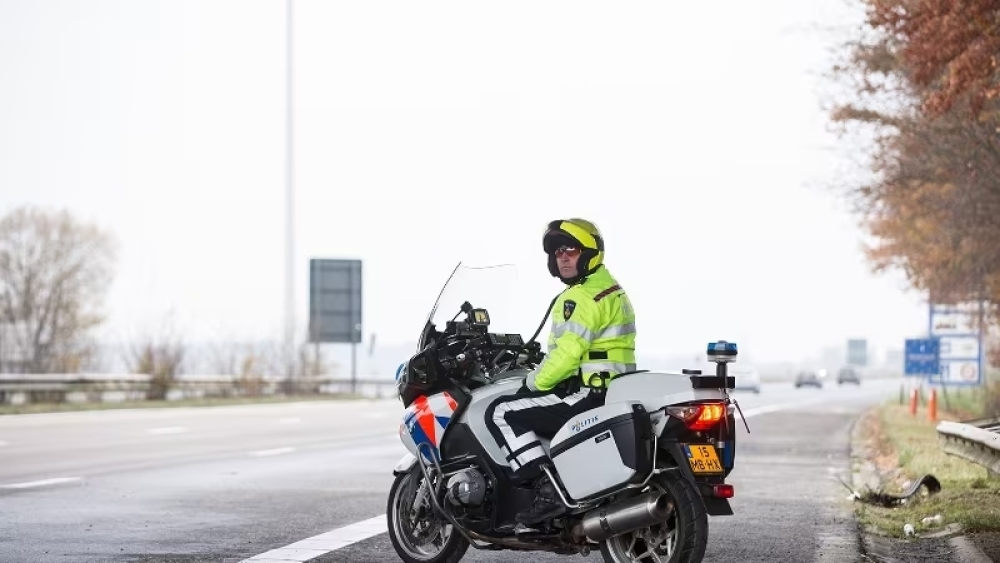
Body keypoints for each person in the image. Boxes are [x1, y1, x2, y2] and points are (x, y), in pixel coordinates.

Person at [485, 218, 637, 526]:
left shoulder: (579, 297)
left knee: (501, 412)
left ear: (590, 254)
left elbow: (566, 356)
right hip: (611, 390)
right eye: (557, 252)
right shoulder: (611, 290)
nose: (563, 257)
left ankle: (547, 491)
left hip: (588, 393)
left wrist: (532, 382)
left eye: (571, 249)